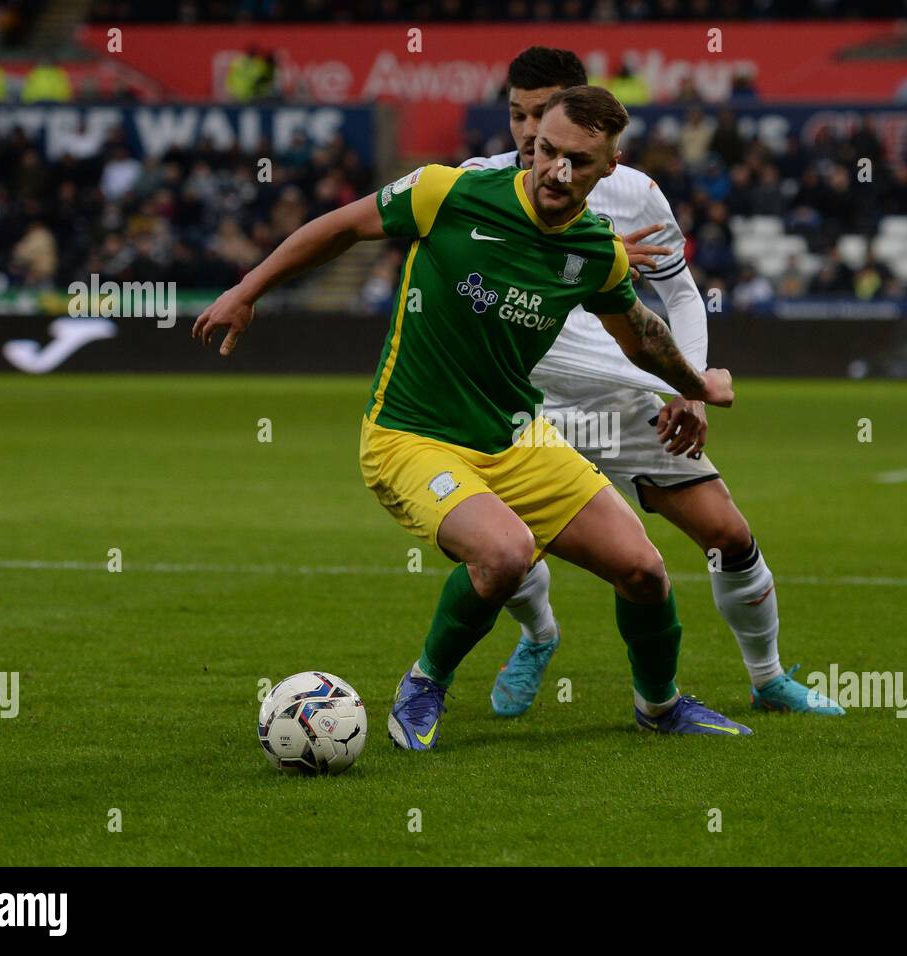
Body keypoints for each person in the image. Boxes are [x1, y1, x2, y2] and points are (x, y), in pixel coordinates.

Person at [193, 85, 752, 749]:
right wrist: (246, 290)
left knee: (644, 570)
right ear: (532, 143)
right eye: (547, 151)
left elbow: (644, 336)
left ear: (610, 167)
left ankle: (659, 707)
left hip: (514, 438)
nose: (556, 170)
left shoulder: (598, 253)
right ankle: (425, 682)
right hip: (410, 436)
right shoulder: (448, 193)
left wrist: (695, 386)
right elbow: (342, 227)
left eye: (578, 160)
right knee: (505, 552)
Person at [461, 47, 844, 717]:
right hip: (523, 404)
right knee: (506, 551)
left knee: (728, 536)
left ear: (578, 112)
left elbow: (684, 298)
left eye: (541, 113)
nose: (526, 133)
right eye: (517, 115)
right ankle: (538, 635)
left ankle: (768, 679)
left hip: (619, 398)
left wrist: (688, 390)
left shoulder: (633, 193)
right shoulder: (476, 184)